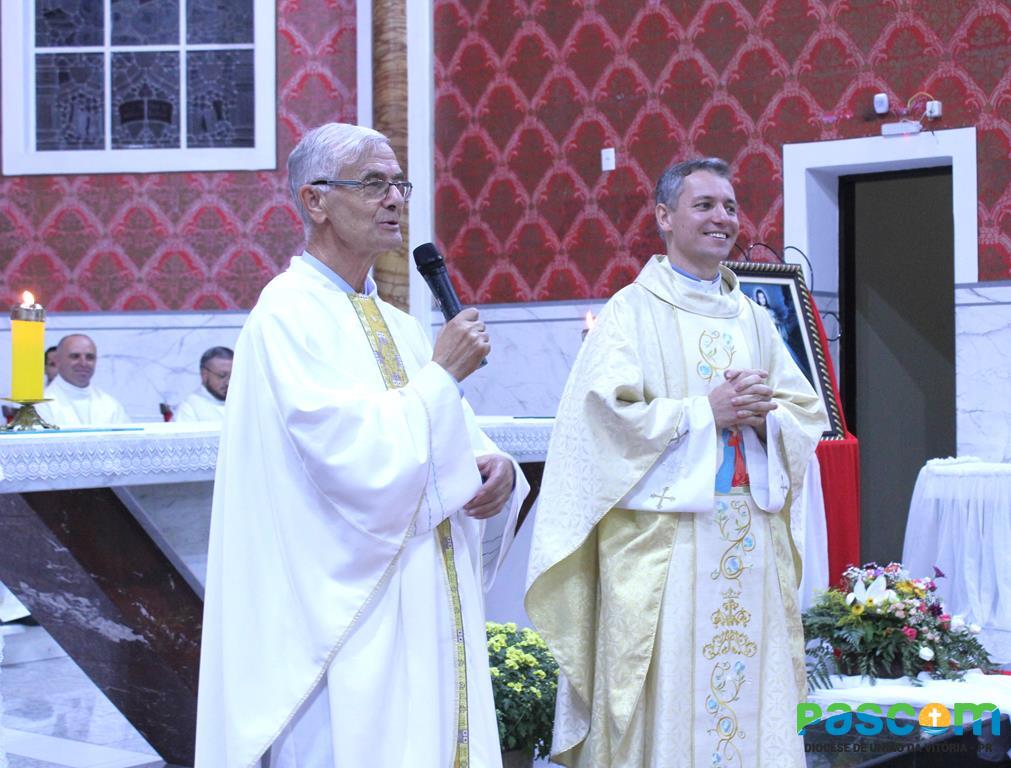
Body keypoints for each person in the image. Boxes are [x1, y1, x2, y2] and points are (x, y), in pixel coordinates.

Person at [195, 122, 529, 768]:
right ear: (314, 201)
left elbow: (454, 437)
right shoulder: (285, 315)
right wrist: (443, 375)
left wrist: (499, 474)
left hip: (426, 614)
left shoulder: (400, 325)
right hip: (348, 630)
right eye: (374, 183)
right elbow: (350, 463)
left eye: (398, 183)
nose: (395, 200)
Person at [525, 158, 828, 767]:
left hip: (748, 539)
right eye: (705, 205)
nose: (723, 219)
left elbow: (805, 414)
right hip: (668, 551)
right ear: (663, 217)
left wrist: (766, 417)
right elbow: (600, 422)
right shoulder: (630, 313)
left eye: (731, 206)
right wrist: (702, 414)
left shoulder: (754, 318)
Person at [36, 334, 129, 426]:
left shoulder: (111, 406)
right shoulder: (41, 405)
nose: (83, 363)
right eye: (75, 356)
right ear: (58, 360)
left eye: (90, 357)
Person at [174, 346, 233, 422]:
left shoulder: (244, 401)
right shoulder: (190, 407)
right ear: (204, 374)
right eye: (222, 376)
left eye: (233, 376)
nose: (228, 382)